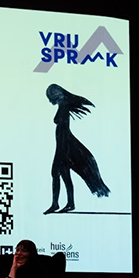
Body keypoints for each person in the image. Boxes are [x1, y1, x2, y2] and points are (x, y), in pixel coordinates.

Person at [43, 84, 110, 215]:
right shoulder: (63, 104)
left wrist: (62, 150)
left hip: (64, 146)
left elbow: (62, 127)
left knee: (58, 173)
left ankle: (62, 204)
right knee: (62, 174)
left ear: (56, 95)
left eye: (50, 97)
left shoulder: (64, 105)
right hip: (63, 144)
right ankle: (65, 203)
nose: (50, 100)